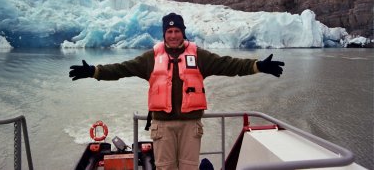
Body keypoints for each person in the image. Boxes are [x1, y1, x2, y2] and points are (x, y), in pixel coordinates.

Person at [69, 12, 285, 170]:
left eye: (177, 31)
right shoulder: (150, 58)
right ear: (164, 34)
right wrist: (94, 71)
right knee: (165, 168)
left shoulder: (199, 56)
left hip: (190, 126)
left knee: (190, 168)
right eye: (169, 31)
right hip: (162, 126)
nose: (173, 35)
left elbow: (229, 65)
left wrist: (258, 66)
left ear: (183, 33)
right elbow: (121, 69)